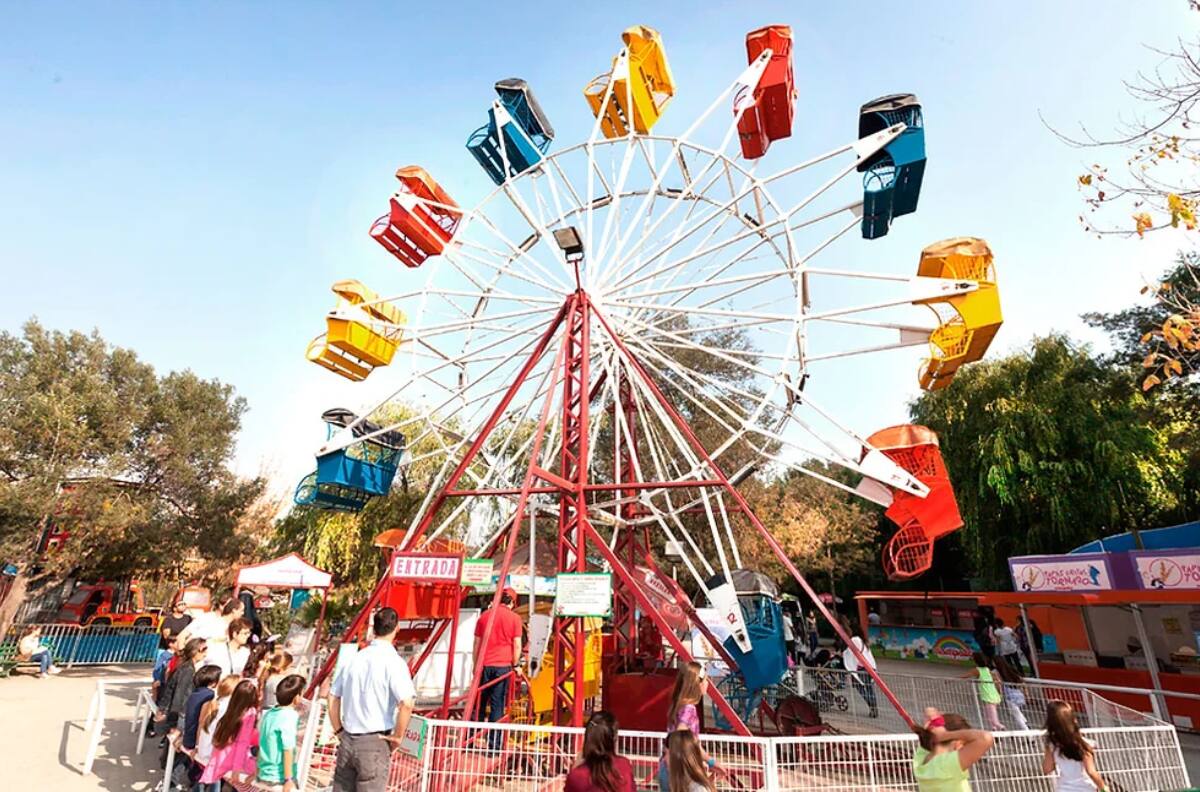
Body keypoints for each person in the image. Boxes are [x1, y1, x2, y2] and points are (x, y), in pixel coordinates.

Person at [329, 607, 416, 792]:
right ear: (397, 628)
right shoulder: (394, 662)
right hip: (375, 741)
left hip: (348, 737)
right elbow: (407, 703)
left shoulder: (354, 659)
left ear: (373, 628)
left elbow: (333, 696)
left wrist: (339, 730)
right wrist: (398, 736)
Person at [473, 587, 524, 730]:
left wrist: (475, 665)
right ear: (512, 602)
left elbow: (476, 644)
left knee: (479, 702)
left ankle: (471, 736)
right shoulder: (515, 618)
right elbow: (517, 645)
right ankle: (494, 741)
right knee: (497, 704)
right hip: (503, 667)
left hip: (484, 665)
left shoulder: (484, 616)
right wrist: (516, 665)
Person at [657, 662, 714, 792]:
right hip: (680, 771)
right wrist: (711, 762)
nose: (707, 683)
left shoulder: (678, 705)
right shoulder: (689, 709)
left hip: (667, 767)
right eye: (706, 680)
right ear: (697, 684)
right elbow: (682, 739)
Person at [912, 708, 994, 791]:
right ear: (958, 742)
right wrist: (945, 734)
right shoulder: (948, 763)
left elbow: (929, 732)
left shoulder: (922, 758)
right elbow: (986, 737)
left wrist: (934, 725)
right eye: (964, 744)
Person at [200, 679, 259, 789]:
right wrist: (237, 768)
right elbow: (242, 743)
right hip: (235, 764)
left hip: (221, 762)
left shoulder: (231, 710)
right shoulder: (250, 713)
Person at [1042, 700, 1108, 791]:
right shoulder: (1084, 744)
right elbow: (1091, 772)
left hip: (1064, 788)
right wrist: (1104, 788)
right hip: (1085, 788)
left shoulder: (1052, 745)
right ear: (1073, 720)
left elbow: (1047, 769)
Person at [258, 673, 307, 791]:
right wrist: (288, 779)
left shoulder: (269, 713)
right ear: (296, 697)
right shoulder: (290, 716)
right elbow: (288, 749)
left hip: (264, 772)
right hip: (279, 776)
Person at [564, 710, 636, 792]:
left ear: (587, 737)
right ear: (614, 739)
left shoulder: (576, 776)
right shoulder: (624, 766)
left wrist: (576, 767)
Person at [195, 674, 241, 778]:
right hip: (212, 755)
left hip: (203, 751)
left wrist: (197, 746)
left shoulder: (216, 703)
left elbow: (201, 725)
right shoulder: (228, 708)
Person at [160, 637, 208, 730]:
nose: (205, 654)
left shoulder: (186, 666)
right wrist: (174, 720)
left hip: (178, 711)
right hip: (180, 713)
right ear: (195, 651)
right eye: (203, 650)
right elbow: (179, 694)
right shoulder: (187, 670)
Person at [841, 620, 879, 718]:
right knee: (869, 688)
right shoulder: (863, 640)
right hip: (869, 668)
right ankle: (873, 707)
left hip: (861, 669)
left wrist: (843, 654)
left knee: (861, 688)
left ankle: (872, 705)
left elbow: (850, 652)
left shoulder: (855, 640)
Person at [181, 664, 222, 753]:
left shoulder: (195, 693)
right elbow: (202, 722)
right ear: (213, 682)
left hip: (187, 738)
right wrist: (198, 746)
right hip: (195, 741)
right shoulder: (209, 696)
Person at [961, 652, 1003, 731]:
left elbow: (966, 676)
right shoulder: (987, 669)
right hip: (993, 692)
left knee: (992, 713)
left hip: (987, 693)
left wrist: (951, 680)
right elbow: (996, 680)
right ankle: (994, 728)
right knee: (989, 712)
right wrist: (999, 691)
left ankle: (999, 726)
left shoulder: (977, 670)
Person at [993, 656, 1029, 730]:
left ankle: (1027, 732)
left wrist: (999, 695)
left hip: (1009, 697)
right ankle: (1026, 723)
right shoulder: (1010, 669)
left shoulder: (996, 672)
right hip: (1018, 695)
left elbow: (998, 685)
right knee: (1017, 712)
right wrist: (1026, 694)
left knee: (1017, 716)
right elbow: (1022, 681)